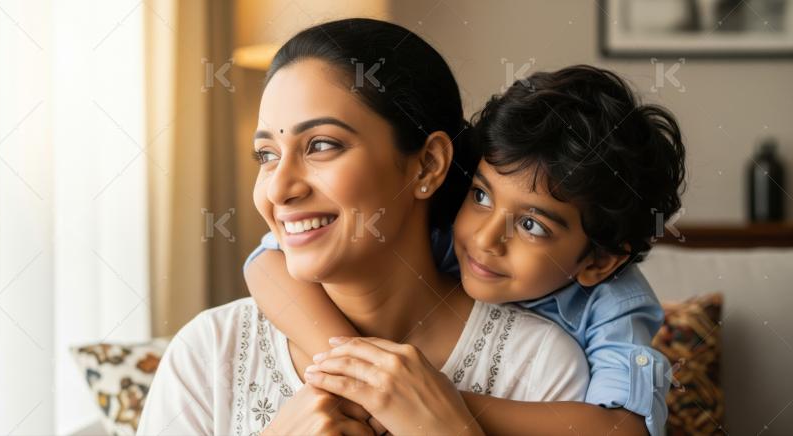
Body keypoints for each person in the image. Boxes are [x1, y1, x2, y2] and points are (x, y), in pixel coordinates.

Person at [137, 18, 589, 436]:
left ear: (427, 165)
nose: (279, 190)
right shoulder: (210, 352)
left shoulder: (539, 366)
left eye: (321, 145)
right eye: (266, 155)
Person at [246, 63, 686, 434]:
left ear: (600, 260)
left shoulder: (613, 303)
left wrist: (434, 402)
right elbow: (265, 264)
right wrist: (358, 376)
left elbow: (622, 428)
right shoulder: (438, 230)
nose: (484, 238)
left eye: (532, 225)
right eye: (481, 195)